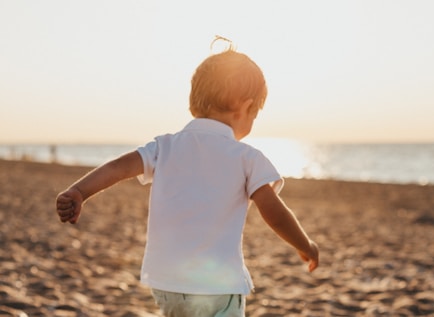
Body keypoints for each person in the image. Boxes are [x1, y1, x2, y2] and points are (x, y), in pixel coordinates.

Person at [56, 41, 319, 317]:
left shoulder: (165, 146)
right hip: (217, 288)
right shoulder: (247, 157)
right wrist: (306, 245)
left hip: (168, 285)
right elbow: (274, 212)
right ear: (246, 108)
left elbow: (119, 167)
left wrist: (79, 191)